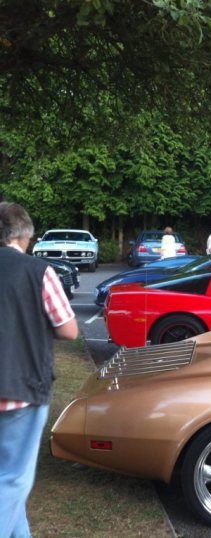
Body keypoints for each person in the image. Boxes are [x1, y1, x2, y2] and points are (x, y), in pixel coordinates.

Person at [0, 202, 79, 538]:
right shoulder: (38, 271)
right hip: (23, 388)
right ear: (25, 235)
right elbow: (69, 330)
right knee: (13, 481)